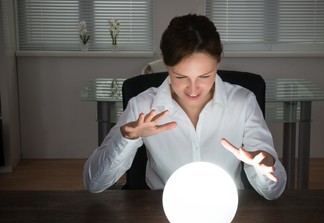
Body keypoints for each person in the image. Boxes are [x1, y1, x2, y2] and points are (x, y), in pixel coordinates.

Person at [83, 14, 286, 200]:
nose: (193, 89)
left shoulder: (243, 103)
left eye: (205, 76)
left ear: (219, 60)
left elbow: (273, 192)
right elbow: (94, 184)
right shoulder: (144, 105)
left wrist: (265, 165)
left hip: (226, 212)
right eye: (181, 77)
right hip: (163, 213)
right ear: (166, 64)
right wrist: (126, 138)